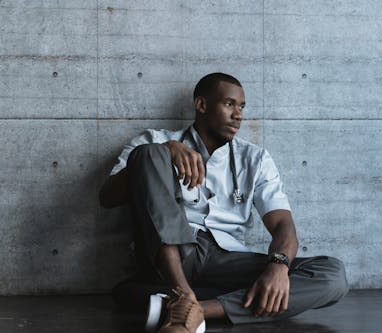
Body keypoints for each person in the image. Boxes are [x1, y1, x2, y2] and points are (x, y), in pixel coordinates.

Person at [99, 72, 348, 333]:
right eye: (229, 104)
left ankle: (193, 308)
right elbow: (107, 197)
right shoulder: (154, 141)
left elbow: (283, 224)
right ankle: (185, 294)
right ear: (202, 105)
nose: (238, 115)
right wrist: (165, 152)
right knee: (147, 154)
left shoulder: (255, 159)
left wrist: (278, 265)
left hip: (225, 259)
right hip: (168, 258)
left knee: (331, 275)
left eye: (241, 107)